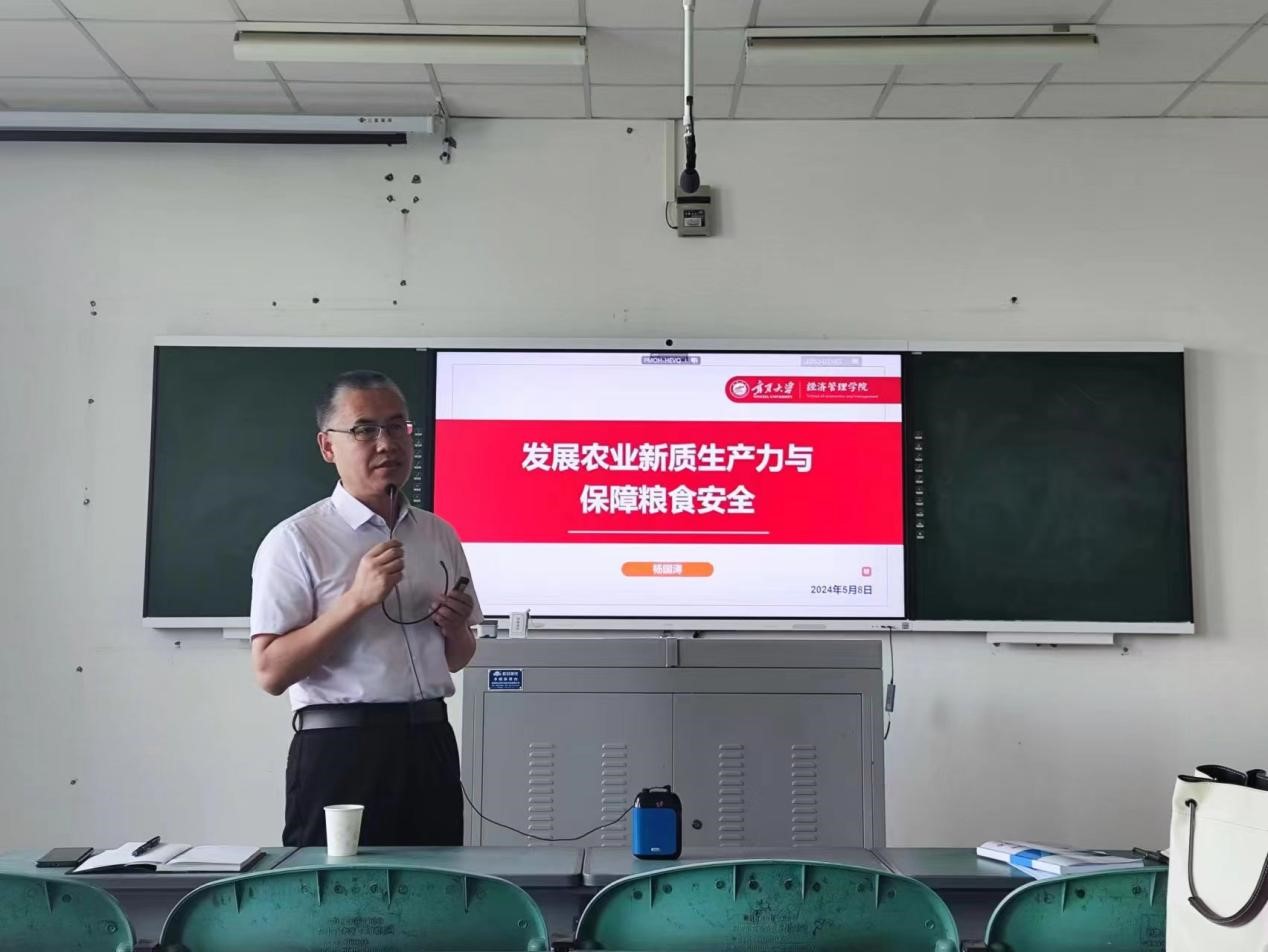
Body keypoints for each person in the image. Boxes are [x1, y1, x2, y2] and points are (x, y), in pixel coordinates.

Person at [249, 370, 479, 847]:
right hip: (341, 751)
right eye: (364, 430)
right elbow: (271, 672)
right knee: (337, 888)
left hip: (430, 743)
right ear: (327, 446)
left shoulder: (438, 534)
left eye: (397, 427)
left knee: (438, 886)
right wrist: (355, 601)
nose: (386, 443)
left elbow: (457, 658)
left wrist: (456, 629)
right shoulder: (295, 540)